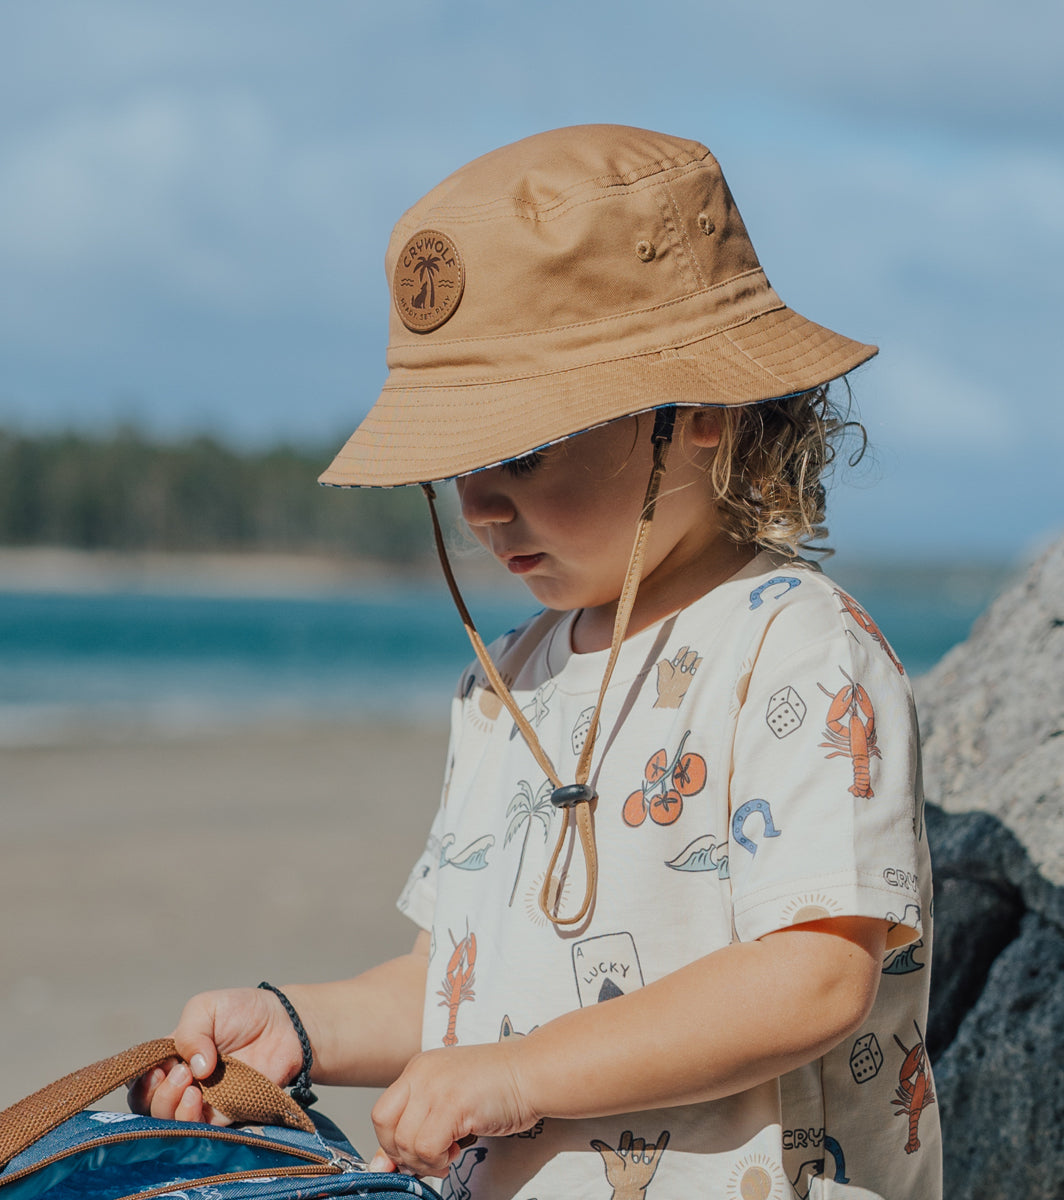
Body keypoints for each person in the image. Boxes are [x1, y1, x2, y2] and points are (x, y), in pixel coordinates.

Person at [131, 124, 941, 1200]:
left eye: (521, 452)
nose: (478, 503)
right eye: (455, 467)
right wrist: (296, 1025)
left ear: (700, 410)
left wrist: (516, 1075)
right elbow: (455, 986)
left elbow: (815, 977)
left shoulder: (797, 648)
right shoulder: (504, 683)